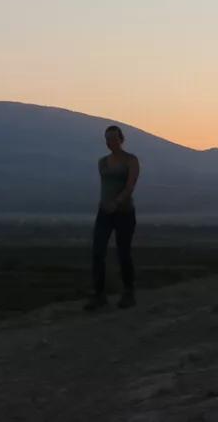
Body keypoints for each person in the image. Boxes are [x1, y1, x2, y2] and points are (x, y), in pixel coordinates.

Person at [85, 125, 141, 310]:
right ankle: (99, 294)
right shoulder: (102, 162)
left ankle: (128, 292)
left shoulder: (131, 160)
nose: (111, 142)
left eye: (114, 138)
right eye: (108, 139)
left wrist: (116, 203)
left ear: (121, 139)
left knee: (123, 252)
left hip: (124, 211)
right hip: (104, 212)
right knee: (97, 251)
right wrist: (106, 205)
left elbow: (130, 185)